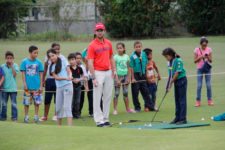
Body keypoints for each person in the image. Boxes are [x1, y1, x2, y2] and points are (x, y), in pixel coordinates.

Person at [87, 22, 116, 127]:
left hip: (108, 71)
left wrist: (114, 70)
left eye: (101, 30)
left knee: (107, 96)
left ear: (104, 31)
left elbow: (111, 57)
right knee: (97, 96)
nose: (100, 32)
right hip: (98, 72)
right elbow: (90, 61)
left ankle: (106, 118)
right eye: (98, 30)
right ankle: (99, 120)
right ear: (95, 32)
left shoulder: (108, 43)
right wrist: (93, 77)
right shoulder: (92, 45)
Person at [40, 43, 65, 121]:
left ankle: (56, 115)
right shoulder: (47, 58)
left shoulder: (62, 58)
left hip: (58, 80)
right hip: (49, 80)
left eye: (58, 49)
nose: (57, 50)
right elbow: (45, 69)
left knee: (57, 99)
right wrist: (43, 80)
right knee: (47, 99)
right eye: (55, 49)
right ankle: (45, 116)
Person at [48, 49, 73, 126]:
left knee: (67, 107)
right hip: (59, 88)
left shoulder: (63, 60)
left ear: (56, 55)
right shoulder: (51, 66)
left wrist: (70, 76)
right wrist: (66, 78)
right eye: (50, 57)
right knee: (58, 108)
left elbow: (69, 71)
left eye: (53, 55)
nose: (52, 58)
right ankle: (59, 127)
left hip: (68, 86)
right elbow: (56, 77)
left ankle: (70, 127)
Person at [162, 47, 188, 125]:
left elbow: (177, 73)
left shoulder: (178, 61)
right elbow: (170, 74)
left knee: (182, 100)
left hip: (182, 80)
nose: (166, 58)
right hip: (176, 81)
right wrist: (167, 86)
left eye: (166, 56)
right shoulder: (169, 62)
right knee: (177, 99)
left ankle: (183, 119)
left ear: (170, 55)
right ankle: (177, 118)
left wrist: (171, 83)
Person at [130, 41, 156, 112]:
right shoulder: (132, 56)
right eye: (136, 47)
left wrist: (146, 74)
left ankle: (151, 106)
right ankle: (137, 107)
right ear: (134, 48)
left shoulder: (144, 54)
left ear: (141, 47)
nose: (138, 48)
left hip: (143, 74)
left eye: (139, 46)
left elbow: (146, 65)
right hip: (136, 75)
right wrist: (132, 78)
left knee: (146, 92)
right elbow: (131, 67)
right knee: (135, 92)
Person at [20, 45, 44, 123]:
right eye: (35, 53)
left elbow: (41, 75)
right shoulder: (24, 62)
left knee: (37, 103)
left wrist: (41, 86)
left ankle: (36, 117)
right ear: (30, 52)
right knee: (26, 103)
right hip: (28, 87)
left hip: (37, 87)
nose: (36, 54)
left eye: (37, 53)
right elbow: (23, 74)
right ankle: (26, 117)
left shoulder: (39, 62)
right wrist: (24, 84)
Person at [113, 42, 135, 115]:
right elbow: (114, 68)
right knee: (116, 93)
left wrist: (129, 78)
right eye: (118, 48)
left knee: (125, 93)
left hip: (125, 76)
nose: (119, 49)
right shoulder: (115, 57)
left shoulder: (127, 57)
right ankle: (115, 110)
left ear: (124, 48)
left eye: (121, 48)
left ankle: (128, 109)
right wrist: (116, 79)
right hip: (118, 76)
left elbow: (129, 67)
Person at [194, 37, 213, 107]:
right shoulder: (196, 50)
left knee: (208, 85)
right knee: (199, 85)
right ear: (200, 44)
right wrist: (200, 57)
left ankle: (210, 100)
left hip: (207, 69)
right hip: (200, 69)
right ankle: (198, 101)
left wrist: (207, 57)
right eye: (203, 45)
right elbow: (195, 61)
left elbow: (211, 61)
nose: (204, 46)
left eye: (206, 45)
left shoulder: (209, 49)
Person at [68, 53, 87, 119]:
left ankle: (76, 114)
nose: (71, 61)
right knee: (72, 101)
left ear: (76, 60)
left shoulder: (79, 68)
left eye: (73, 59)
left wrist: (79, 80)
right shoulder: (68, 68)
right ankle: (70, 114)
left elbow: (83, 77)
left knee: (78, 101)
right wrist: (72, 80)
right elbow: (68, 76)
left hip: (78, 86)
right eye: (70, 60)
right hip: (71, 87)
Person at [1, 51, 19, 121]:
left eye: (11, 58)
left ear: (13, 58)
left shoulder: (15, 65)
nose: (9, 59)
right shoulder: (2, 66)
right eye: (8, 58)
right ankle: (3, 117)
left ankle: (14, 118)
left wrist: (12, 66)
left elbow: (14, 75)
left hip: (13, 89)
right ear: (5, 58)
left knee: (13, 104)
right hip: (4, 89)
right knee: (4, 104)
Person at [80, 48, 94, 117]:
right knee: (81, 97)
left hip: (91, 80)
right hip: (83, 81)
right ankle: (78, 112)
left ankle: (91, 112)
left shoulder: (93, 65)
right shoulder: (82, 66)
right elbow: (83, 56)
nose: (86, 58)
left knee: (91, 97)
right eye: (85, 56)